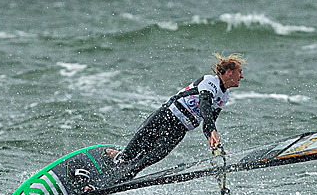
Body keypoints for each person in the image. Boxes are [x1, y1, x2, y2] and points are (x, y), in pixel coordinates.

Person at [105, 53, 245, 186]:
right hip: (166, 116)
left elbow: (209, 121)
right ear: (229, 72)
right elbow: (204, 104)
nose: (242, 76)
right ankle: (114, 160)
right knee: (131, 153)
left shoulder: (224, 96)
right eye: (239, 72)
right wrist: (212, 129)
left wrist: (212, 138)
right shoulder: (209, 81)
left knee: (146, 160)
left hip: (179, 130)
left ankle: (112, 184)